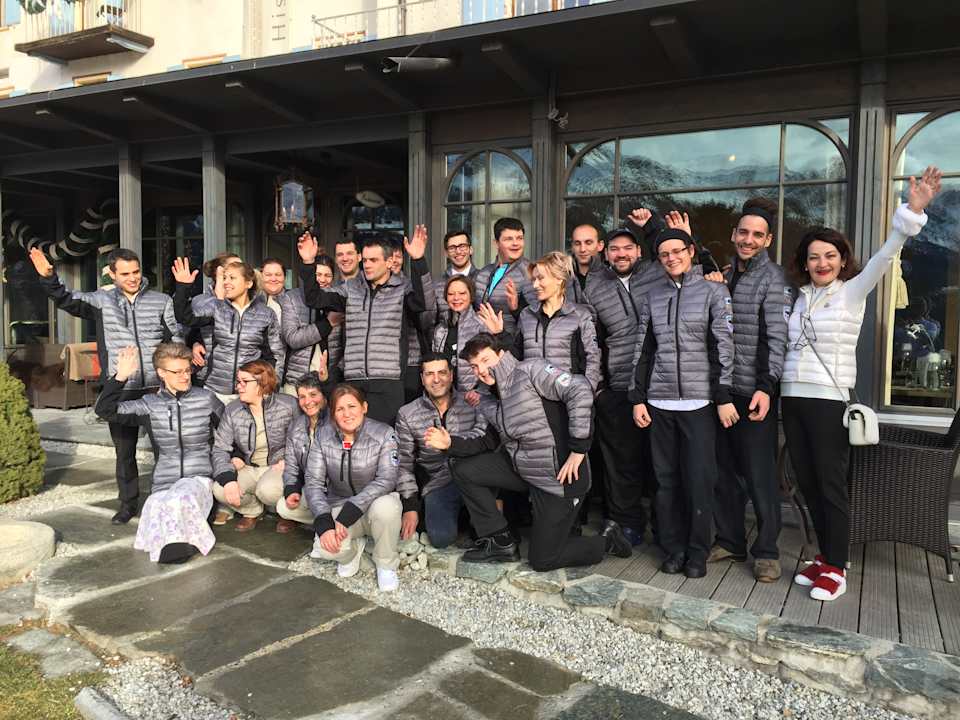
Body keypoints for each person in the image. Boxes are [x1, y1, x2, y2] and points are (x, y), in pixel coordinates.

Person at [783, 165, 942, 602]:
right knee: (807, 483)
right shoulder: (799, 298)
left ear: (841, 260)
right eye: (814, 257)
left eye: (829, 256)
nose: (822, 263)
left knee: (830, 485)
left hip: (828, 403)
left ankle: (837, 567)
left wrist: (911, 214)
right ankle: (825, 556)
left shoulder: (851, 292)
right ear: (804, 262)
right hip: (792, 399)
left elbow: (885, 257)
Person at [425, 333, 633, 570]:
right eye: (474, 366)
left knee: (543, 559)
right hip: (524, 471)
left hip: (559, 479)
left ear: (501, 354)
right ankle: (500, 541)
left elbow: (580, 389)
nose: (480, 370)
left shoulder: (531, 370)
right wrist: (450, 443)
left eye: (485, 360)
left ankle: (607, 541)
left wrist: (578, 449)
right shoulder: (491, 397)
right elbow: (488, 440)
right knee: (463, 469)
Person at [30, 246, 181, 524]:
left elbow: (175, 338)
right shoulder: (101, 300)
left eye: (136, 272)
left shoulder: (161, 300)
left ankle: (167, 502)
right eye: (125, 274)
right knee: (125, 453)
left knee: (166, 450)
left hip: (156, 390)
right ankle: (128, 505)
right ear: (112, 274)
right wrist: (48, 277)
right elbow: (65, 299)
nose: (132, 278)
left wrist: (175, 374)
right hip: (120, 389)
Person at [630, 215, 736, 579]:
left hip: (699, 403)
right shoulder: (653, 296)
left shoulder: (713, 292)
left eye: (677, 251)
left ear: (690, 251)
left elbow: (723, 346)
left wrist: (722, 395)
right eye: (664, 254)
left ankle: (697, 552)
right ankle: (673, 548)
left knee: (699, 481)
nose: (671, 258)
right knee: (665, 482)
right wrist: (638, 397)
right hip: (659, 403)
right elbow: (643, 349)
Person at [709, 198, 791, 583]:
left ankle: (768, 551)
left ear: (768, 240)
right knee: (723, 471)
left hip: (754, 394)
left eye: (757, 235)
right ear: (733, 234)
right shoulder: (726, 276)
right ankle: (730, 540)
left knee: (759, 475)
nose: (749, 239)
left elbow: (777, 338)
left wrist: (766, 386)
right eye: (743, 232)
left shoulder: (773, 279)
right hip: (722, 393)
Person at [95, 343, 224, 563]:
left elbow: (230, 431)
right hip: (165, 481)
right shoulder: (150, 404)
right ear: (161, 373)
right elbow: (105, 410)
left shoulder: (206, 399)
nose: (185, 376)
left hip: (199, 478)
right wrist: (120, 377)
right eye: (177, 371)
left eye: (187, 370)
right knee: (156, 505)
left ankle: (184, 543)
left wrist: (232, 464)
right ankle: (177, 542)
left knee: (181, 498)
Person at [295, 227, 433, 425]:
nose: (367, 265)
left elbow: (425, 303)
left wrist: (418, 260)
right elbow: (314, 298)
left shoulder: (402, 289)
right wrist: (308, 262)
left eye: (373, 260)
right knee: (352, 437)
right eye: (365, 260)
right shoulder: (351, 289)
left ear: (389, 262)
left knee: (384, 437)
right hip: (354, 381)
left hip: (388, 381)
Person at [583, 214, 664, 546]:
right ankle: (628, 525)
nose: (621, 254)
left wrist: (654, 226)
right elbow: (590, 340)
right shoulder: (595, 287)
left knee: (660, 463)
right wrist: (599, 387)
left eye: (628, 248)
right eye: (615, 249)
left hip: (659, 383)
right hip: (618, 386)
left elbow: (680, 255)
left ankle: (666, 527)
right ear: (606, 254)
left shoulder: (657, 273)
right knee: (622, 463)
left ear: (639, 251)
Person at [304, 384, 403, 592]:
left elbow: (387, 479)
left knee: (387, 507)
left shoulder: (384, 433)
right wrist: (324, 520)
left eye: (352, 406)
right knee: (325, 547)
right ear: (333, 413)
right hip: (340, 506)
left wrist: (353, 509)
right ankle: (352, 553)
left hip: (373, 505)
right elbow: (313, 482)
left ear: (364, 407)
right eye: (340, 409)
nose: (347, 414)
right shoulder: (323, 436)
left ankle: (385, 563)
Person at [395, 353, 487, 548]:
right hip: (439, 482)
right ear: (422, 379)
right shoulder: (407, 413)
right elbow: (404, 464)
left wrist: (451, 444)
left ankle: (474, 520)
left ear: (451, 375)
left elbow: (485, 442)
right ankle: (457, 518)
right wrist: (410, 506)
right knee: (440, 538)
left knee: (484, 533)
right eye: (430, 374)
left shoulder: (472, 402)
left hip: (474, 478)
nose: (436, 379)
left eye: (442, 373)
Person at [480, 251, 601, 393]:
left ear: (559, 279)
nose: (535, 285)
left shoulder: (580, 316)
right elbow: (515, 358)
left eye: (541, 278)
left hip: (567, 398)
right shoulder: (526, 315)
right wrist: (499, 334)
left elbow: (591, 360)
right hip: (532, 398)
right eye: (534, 279)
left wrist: (585, 394)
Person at [172, 257, 285, 404]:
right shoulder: (216, 307)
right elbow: (184, 317)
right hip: (214, 390)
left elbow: (275, 354)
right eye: (224, 278)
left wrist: (272, 385)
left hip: (249, 391)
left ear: (248, 283)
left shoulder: (266, 314)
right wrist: (183, 287)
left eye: (232, 278)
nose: (226, 282)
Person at [210, 361, 300, 530]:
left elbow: (303, 441)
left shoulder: (289, 405)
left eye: (245, 382)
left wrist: (290, 460)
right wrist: (229, 479)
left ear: (262, 383)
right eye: (238, 381)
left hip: (278, 466)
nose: (239, 386)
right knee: (220, 489)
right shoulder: (232, 409)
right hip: (249, 467)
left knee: (267, 490)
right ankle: (252, 510)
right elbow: (220, 448)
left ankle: (287, 513)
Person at [277, 254, 342, 395]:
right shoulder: (291, 298)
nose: (322, 279)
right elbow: (293, 338)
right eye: (318, 274)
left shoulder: (338, 300)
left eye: (328, 275)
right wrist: (328, 323)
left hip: (328, 383)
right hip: (296, 381)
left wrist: (335, 375)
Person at [277, 372, 329, 532]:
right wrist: (292, 489)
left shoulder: (337, 421)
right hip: (312, 488)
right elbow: (291, 465)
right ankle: (323, 520)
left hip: (335, 490)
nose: (307, 402)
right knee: (283, 507)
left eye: (313, 394)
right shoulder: (296, 425)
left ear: (324, 395)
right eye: (302, 397)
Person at [473, 218, 539, 335]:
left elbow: (536, 318)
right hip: (482, 340)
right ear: (496, 243)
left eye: (519, 238)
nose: (515, 243)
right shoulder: (483, 273)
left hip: (511, 341)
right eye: (509, 239)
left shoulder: (531, 272)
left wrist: (516, 308)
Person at [190, 252, 241, 377]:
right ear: (218, 273)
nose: (241, 269)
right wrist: (193, 344)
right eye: (234, 266)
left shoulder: (251, 300)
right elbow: (190, 330)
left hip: (244, 374)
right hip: (209, 372)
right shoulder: (201, 301)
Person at [432, 275, 484, 391]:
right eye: (451, 294)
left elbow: (491, 365)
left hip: (473, 394)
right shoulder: (440, 329)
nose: (456, 298)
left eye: (462, 293)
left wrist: (480, 390)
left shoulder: (481, 325)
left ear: (471, 296)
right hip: (446, 392)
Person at [567, 223, 605, 306]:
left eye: (588, 243)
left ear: (600, 245)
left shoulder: (609, 278)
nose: (582, 249)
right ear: (572, 246)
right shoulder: (561, 277)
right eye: (577, 243)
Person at [260, 258, 287, 323]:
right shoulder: (252, 301)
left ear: (285, 277)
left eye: (278, 275)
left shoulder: (294, 301)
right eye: (268, 275)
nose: (273, 279)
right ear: (261, 277)